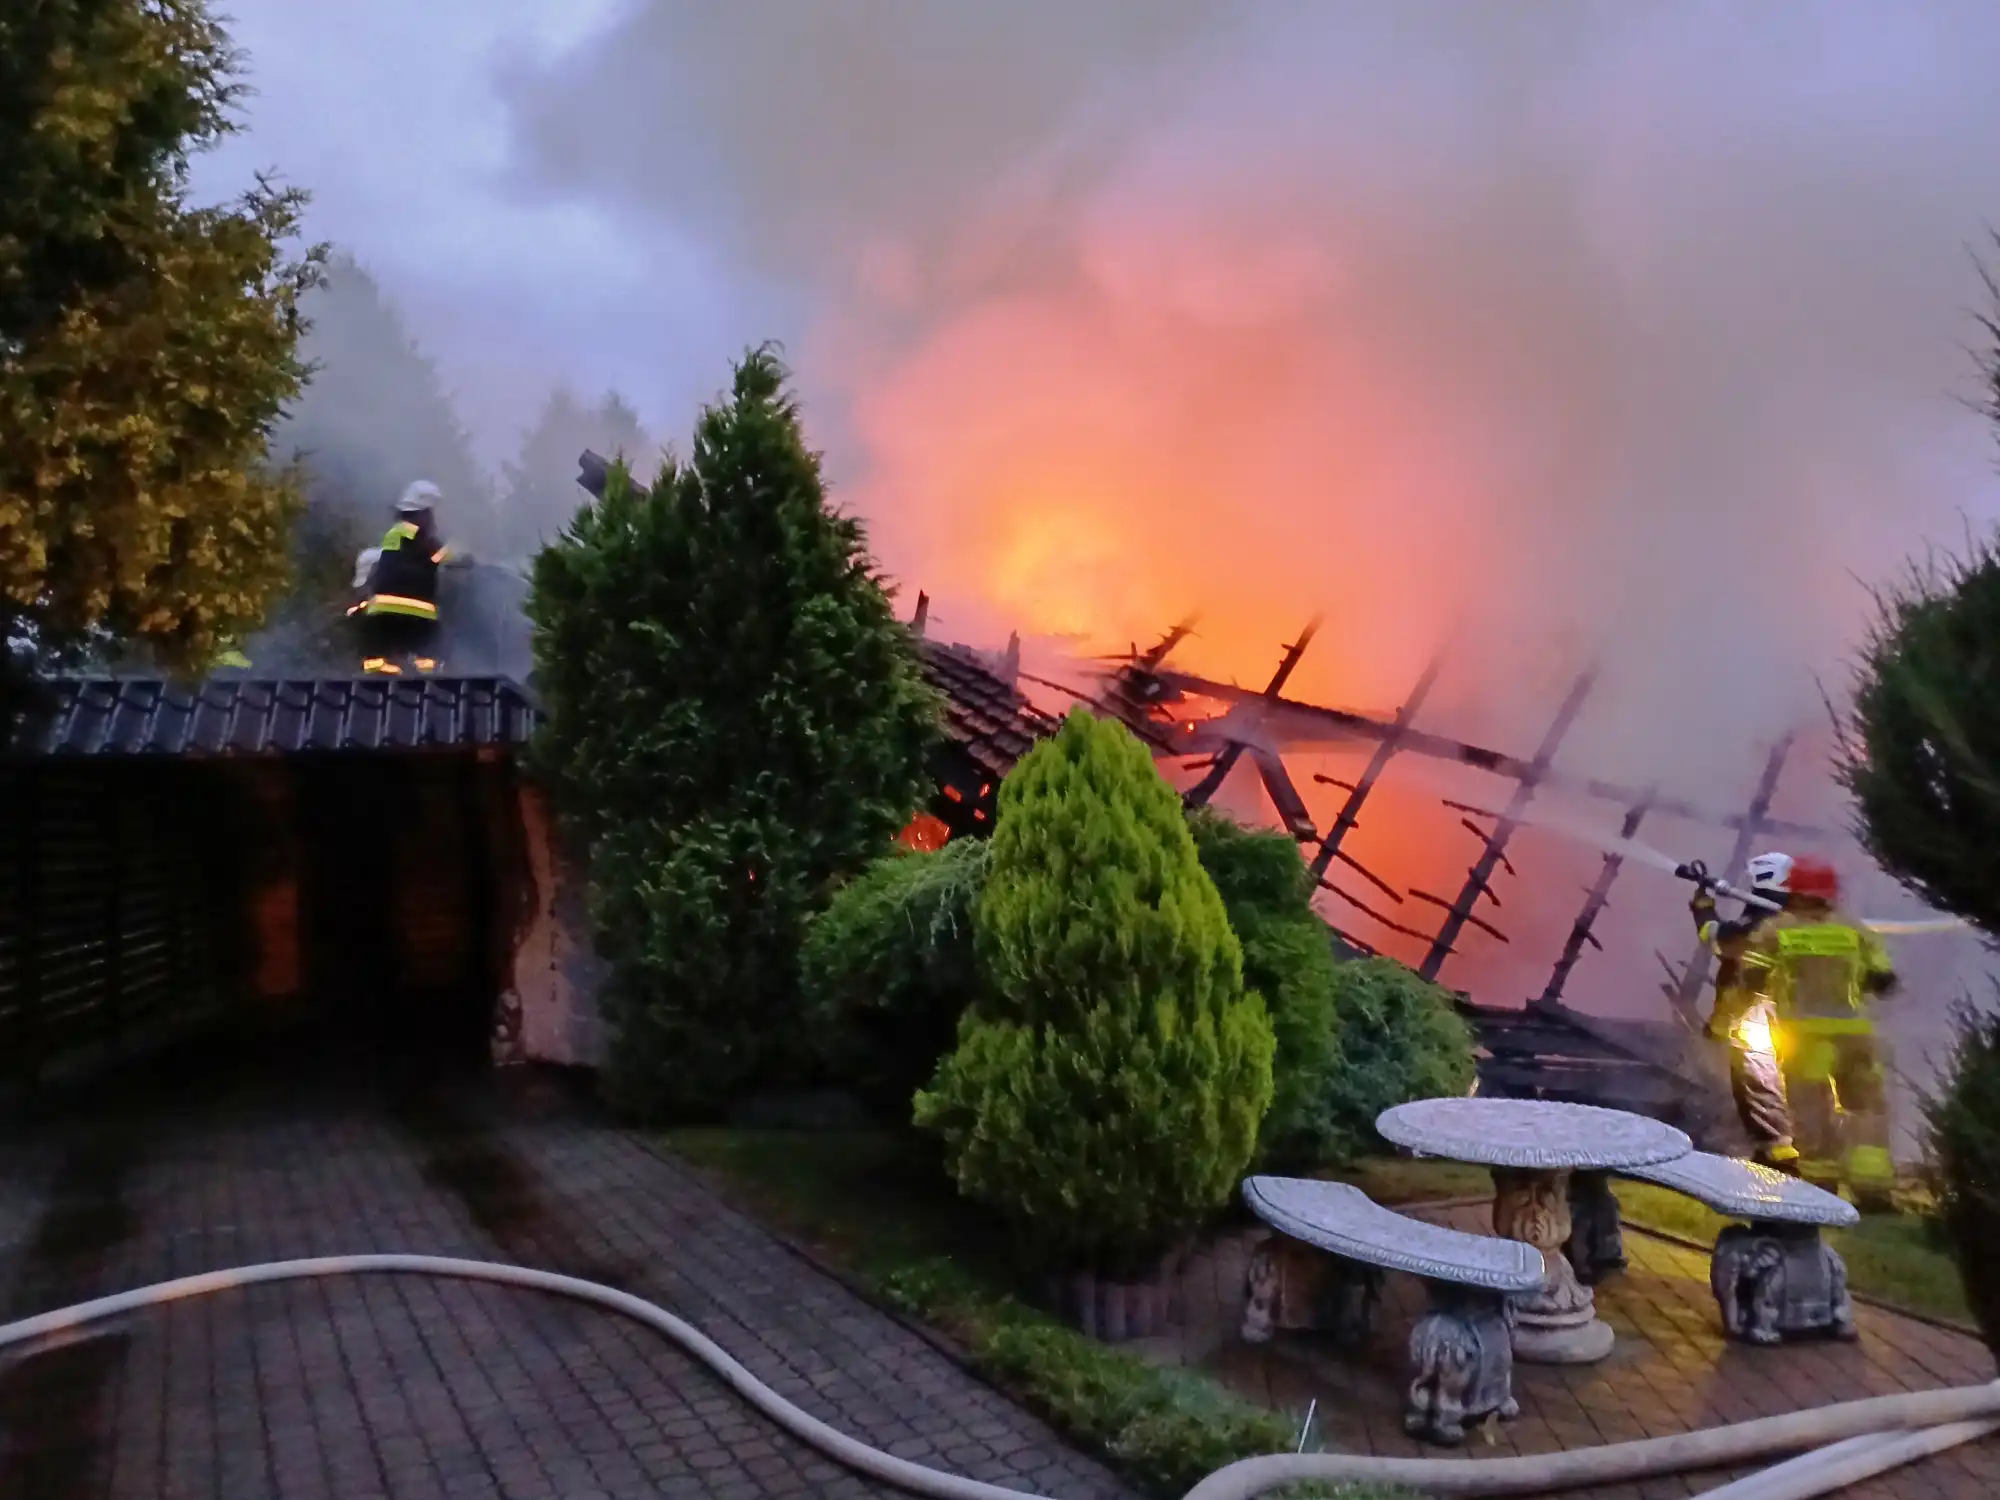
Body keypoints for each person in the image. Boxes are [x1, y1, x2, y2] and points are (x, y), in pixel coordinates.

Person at [1710, 854, 1900, 1207]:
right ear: (1830, 894)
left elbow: (1749, 982)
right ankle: (1873, 1189)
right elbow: (1885, 981)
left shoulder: (1776, 931)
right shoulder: (1854, 930)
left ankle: (1821, 1187)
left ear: (1794, 892)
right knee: (1866, 1107)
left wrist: (1724, 1020)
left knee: (1813, 1109)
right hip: (1855, 1037)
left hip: (1806, 1037)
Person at [1694, 853, 1801, 1175]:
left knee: (1757, 1080)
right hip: (1800, 1013)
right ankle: (1811, 1149)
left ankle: (1777, 1153)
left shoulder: (1757, 919)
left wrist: (1702, 907)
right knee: (1798, 1082)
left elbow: (1718, 940)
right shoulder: (1805, 917)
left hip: (1755, 1010)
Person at [355, 481, 449, 673]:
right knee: (426, 666)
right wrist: (461, 554)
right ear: (422, 512)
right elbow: (437, 554)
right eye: (429, 513)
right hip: (412, 616)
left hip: (385, 616)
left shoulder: (395, 538)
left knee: (381, 666)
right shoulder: (409, 532)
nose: (432, 520)